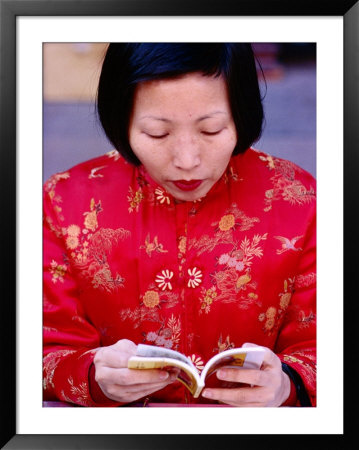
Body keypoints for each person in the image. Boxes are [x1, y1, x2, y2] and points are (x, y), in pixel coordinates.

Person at [43, 43, 316, 407]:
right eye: (157, 133)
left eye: (212, 130)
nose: (187, 160)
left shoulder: (299, 199)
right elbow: (43, 348)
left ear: (241, 115)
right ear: (121, 118)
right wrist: (92, 376)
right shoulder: (64, 203)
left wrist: (288, 385)